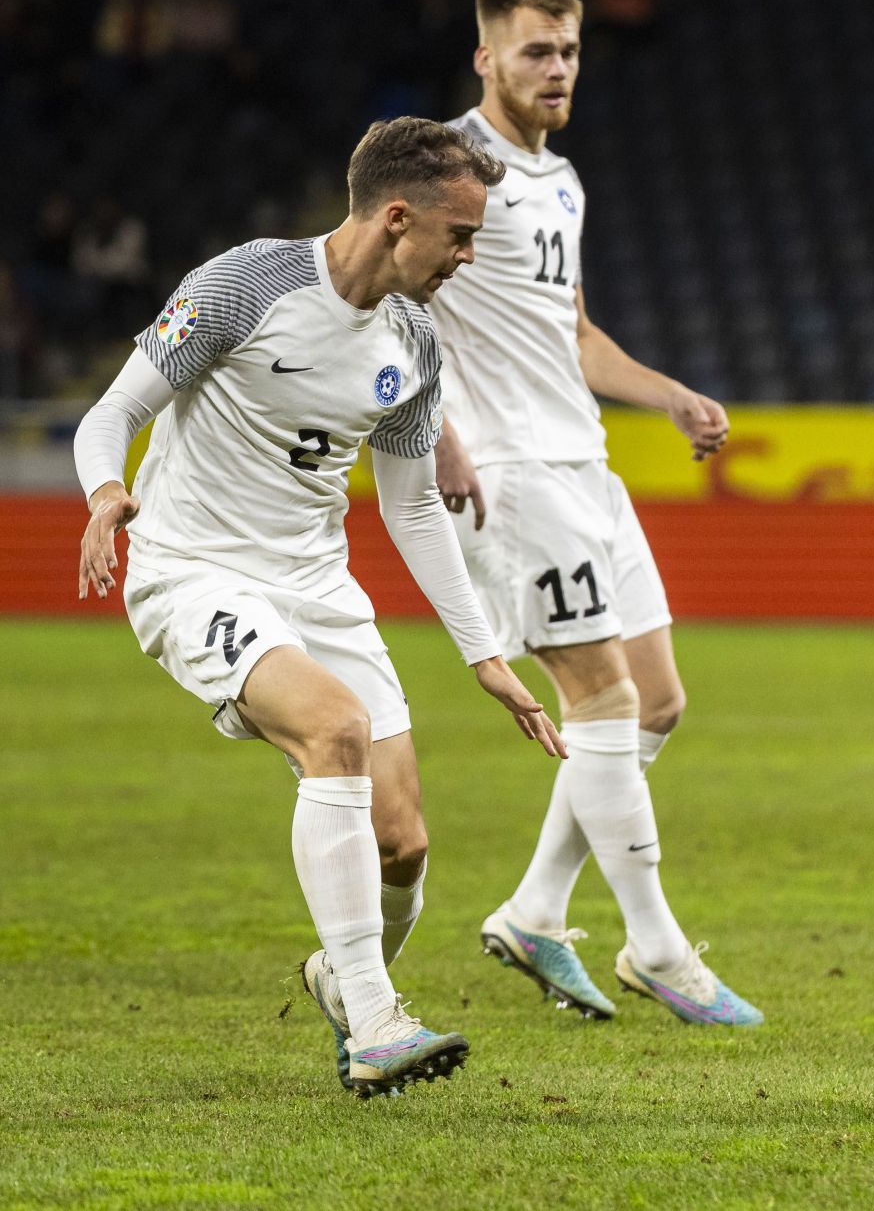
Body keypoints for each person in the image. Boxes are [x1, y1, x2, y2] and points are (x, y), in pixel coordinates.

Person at [74, 117, 566, 1097]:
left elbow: (414, 506)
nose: (467, 258)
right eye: (460, 236)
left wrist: (482, 653)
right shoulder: (240, 286)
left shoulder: (416, 345)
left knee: (405, 843)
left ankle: (345, 978)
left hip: (319, 590)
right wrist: (102, 495)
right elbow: (113, 412)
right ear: (396, 218)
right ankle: (378, 1019)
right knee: (334, 729)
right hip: (194, 569)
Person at [429, 0, 761, 1026]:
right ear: (485, 57)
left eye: (568, 50)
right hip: (512, 476)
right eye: (535, 51)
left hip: (586, 464)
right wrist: (436, 434)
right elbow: (386, 309)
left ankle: (535, 910)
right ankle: (658, 946)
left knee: (656, 701)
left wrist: (668, 396)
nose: (558, 68)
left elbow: (571, 334)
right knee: (606, 702)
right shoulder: (445, 170)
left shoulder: (561, 181)